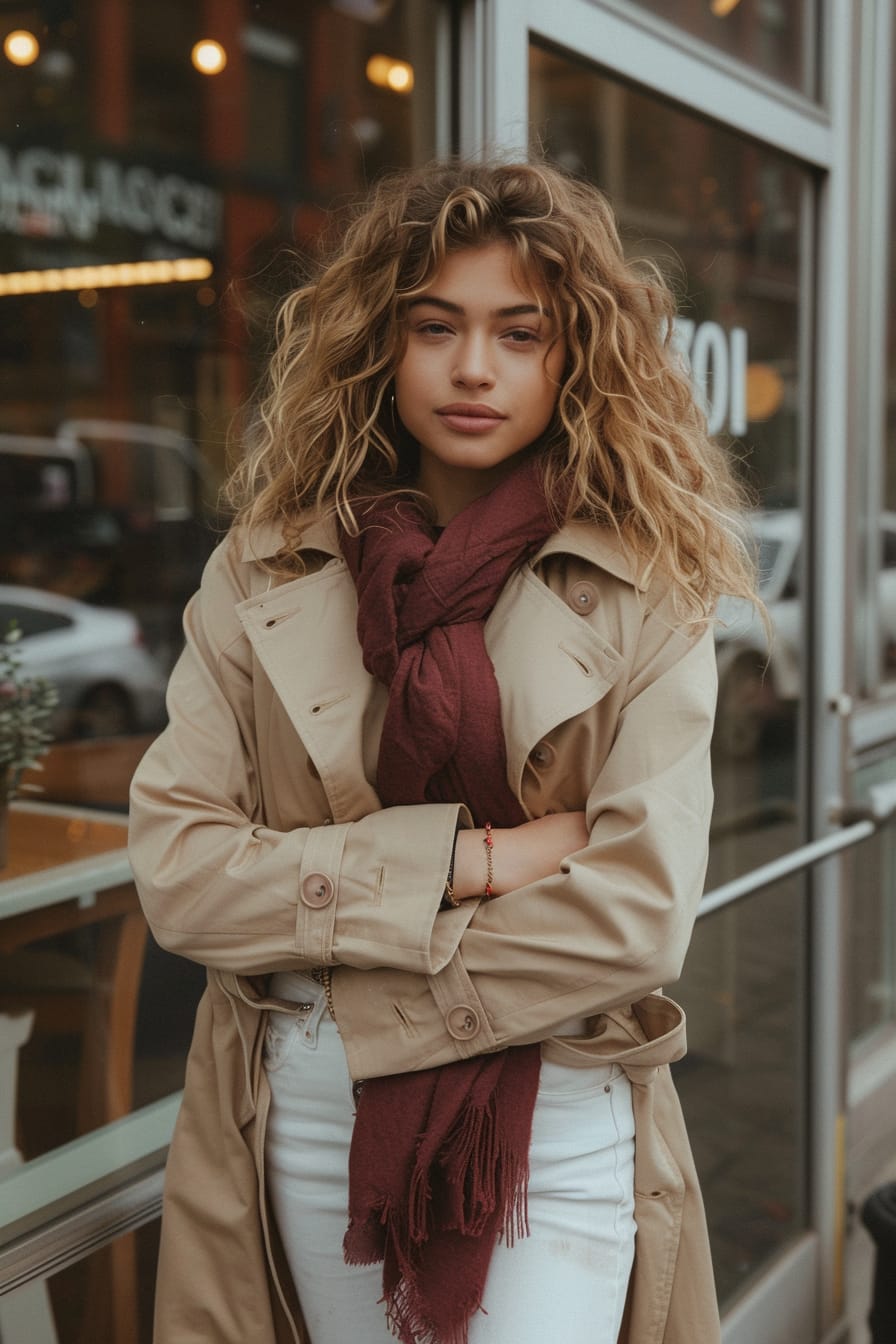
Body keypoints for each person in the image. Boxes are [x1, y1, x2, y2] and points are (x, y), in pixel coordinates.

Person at [128, 159, 758, 1344]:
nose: (474, 368)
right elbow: (180, 870)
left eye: (519, 334)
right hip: (305, 1123)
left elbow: (634, 914)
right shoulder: (262, 571)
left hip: (548, 1123)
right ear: (382, 342)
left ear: (574, 357)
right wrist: (464, 867)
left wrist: (340, 950)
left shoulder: (645, 588)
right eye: (437, 327)